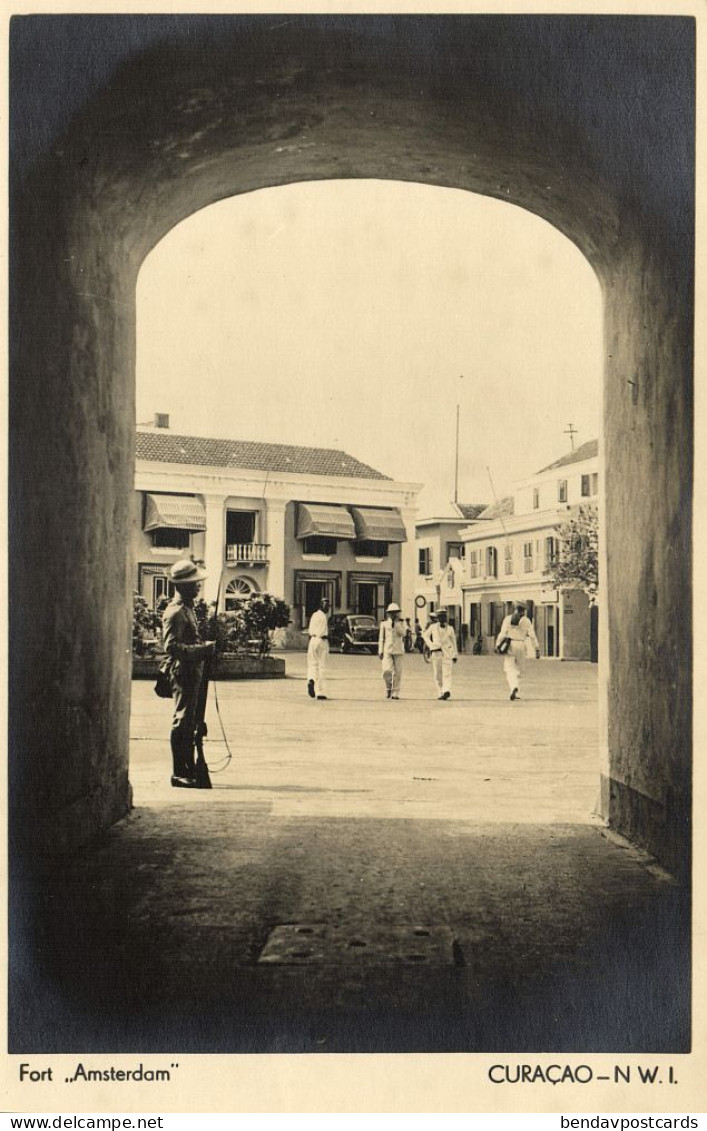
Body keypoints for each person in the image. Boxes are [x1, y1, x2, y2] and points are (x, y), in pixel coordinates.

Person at [162, 558, 216, 788]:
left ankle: (188, 766)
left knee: (192, 722)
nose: (198, 586)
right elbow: (172, 648)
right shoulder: (175, 613)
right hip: (183, 673)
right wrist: (204, 649)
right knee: (182, 720)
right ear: (183, 586)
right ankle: (179, 772)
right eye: (194, 583)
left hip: (193, 672)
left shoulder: (188, 610)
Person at [495, 600, 540, 701]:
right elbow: (532, 636)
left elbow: (502, 634)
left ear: (514, 608)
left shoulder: (507, 619)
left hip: (510, 644)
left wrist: (497, 644)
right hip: (521, 644)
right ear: (524, 610)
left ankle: (513, 687)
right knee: (520, 668)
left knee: (509, 668)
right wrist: (536, 648)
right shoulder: (526, 621)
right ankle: (517, 688)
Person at [422, 607, 459, 699]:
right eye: (441, 617)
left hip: (447, 653)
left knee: (447, 673)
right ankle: (440, 691)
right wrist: (431, 645)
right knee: (438, 674)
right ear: (438, 618)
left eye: (444, 617)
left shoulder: (450, 629)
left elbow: (454, 642)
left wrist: (455, 654)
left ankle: (447, 690)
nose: (443, 619)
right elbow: (425, 635)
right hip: (436, 653)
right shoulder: (433, 627)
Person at [378, 602, 406, 699]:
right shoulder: (384, 624)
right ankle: (388, 687)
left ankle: (395, 692)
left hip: (398, 650)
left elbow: (404, 634)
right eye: (391, 613)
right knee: (386, 671)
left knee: (398, 672)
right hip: (387, 649)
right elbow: (381, 638)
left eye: (395, 612)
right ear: (388, 614)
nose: (393, 614)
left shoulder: (401, 623)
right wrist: (380, 650)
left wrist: (398, 625)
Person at [306, 596, 330, 700]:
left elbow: (310, 629)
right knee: (322, 666)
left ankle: (311, 679)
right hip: (322, 640)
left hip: (313, 640)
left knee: (312, 664)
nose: (327, 607)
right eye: (326, 605)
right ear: (321, 605)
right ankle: (320, 691)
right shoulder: (324, 616)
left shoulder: (314, 615)